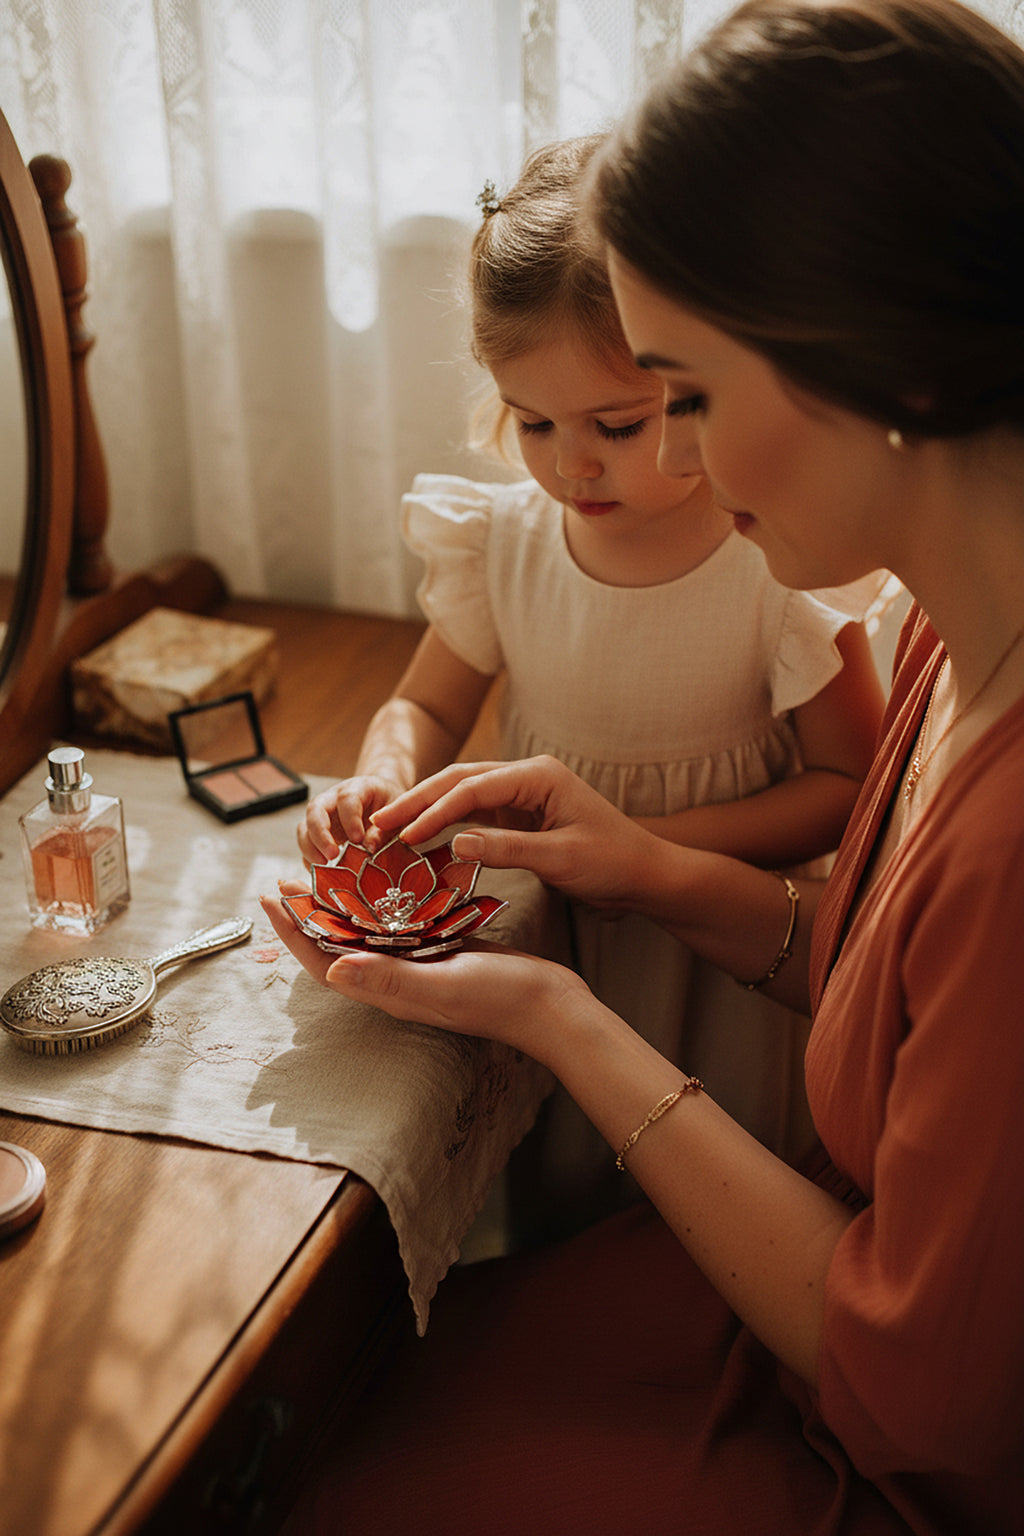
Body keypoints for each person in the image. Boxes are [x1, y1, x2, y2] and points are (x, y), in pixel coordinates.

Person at [263, 0, 1024, 1529]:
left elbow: (914, 1401)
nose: (674, 465)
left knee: (296, 1452)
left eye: (689, 394)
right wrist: (647, 868)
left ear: (890, 373)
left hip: (882, 1449)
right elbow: (895, 994)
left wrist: (558, 1014)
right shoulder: (963, 638)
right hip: (816, 1283)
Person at [300, 136, 889, 1230]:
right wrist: (378, 778)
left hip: (716, 962)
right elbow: (425, 703)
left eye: (616, 426)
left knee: (691, 1205)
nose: (570, 466)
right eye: (533, 423)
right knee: (553, 1186)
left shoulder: (776, 558)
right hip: (546, 928)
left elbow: (850, 786)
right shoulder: (504, 541)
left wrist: (648, 851)